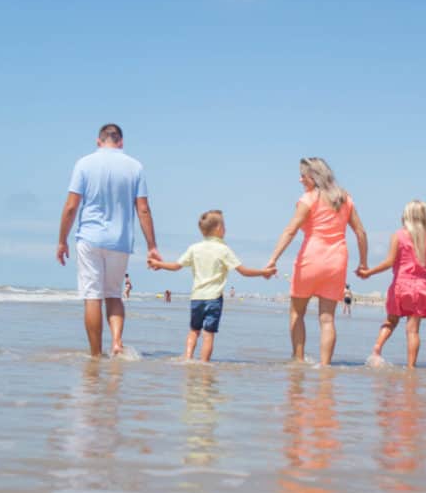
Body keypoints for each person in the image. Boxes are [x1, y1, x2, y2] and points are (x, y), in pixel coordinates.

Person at [57, 123, 160, 358]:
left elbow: (71, 206)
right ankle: (116, 343)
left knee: (92, 295)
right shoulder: (135, 167)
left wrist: (62, 240)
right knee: (113, 294)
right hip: (120, 240)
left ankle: (95, 355)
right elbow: (143, 210)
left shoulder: (84, 164)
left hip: (90, 239)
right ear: (121, 142)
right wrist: (152, 246)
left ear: (98, 141)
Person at [265, 158, 368, 366]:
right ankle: (324, 367)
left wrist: (272, 259)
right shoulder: (345, 199)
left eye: (303, 175)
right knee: (327, 318)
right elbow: (360, 232)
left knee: (296, 312)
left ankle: (299, 360)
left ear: (314, 176)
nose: (300, 179)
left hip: (310, 260)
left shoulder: (309, 198)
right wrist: (363, 263)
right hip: (336, 262)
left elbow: (290, 230)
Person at [149, 210, 275, 361]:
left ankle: (188, 358)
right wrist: (263, 272)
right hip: (213, 299)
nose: (226, 229)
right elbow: (243, 271)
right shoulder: (224, 249)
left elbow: (176, 266)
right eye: (224, 226)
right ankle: (203, 364)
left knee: (194, 331)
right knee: (208, 334)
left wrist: (159, 264)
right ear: (218, 228)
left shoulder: (194, 248)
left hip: (196, 298)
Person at [358, 200, 426, 368]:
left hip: (400, 286)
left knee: (391, 321)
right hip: (420, 288)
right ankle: (411, 367)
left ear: (405, 216)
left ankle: (377, 349)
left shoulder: (398, 235)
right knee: (413, 331)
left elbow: (389, 262)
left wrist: (369, 272)